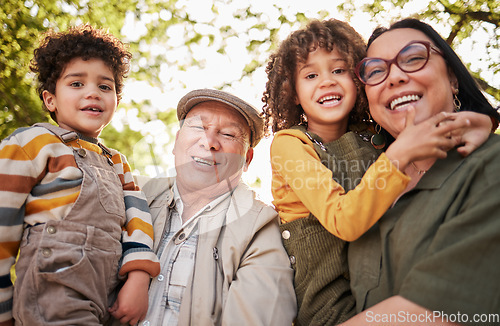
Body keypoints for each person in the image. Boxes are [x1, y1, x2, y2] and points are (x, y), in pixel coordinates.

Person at [262, 18, 494, 325]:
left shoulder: (370, 138)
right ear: (292, 92)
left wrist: (481, 120)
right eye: (311, 75)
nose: (327, 81)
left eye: (339, 70)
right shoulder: (293, 143)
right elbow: (344, 219)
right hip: (326, 300)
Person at [343, 18, 500, 325]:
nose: (395, 77)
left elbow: (429, 315)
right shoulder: (361, 189)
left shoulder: (490, 166)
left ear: (453, 79)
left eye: (413, 58)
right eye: (375, 71)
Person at [0, 25, 160, 326]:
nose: (92, 92)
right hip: (53, 292)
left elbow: (139, 222)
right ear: (50, 99)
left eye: (105, 86)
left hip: (111, 297)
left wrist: (138, 279)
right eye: (76, 84)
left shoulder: (117, 163)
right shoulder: (32, 144)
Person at [135, 89, 297, 326]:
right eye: (199, 128)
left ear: (248, 159)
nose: (209, 142)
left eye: (229, 134)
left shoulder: (258, 227)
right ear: (177, 140)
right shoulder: (131, 196)